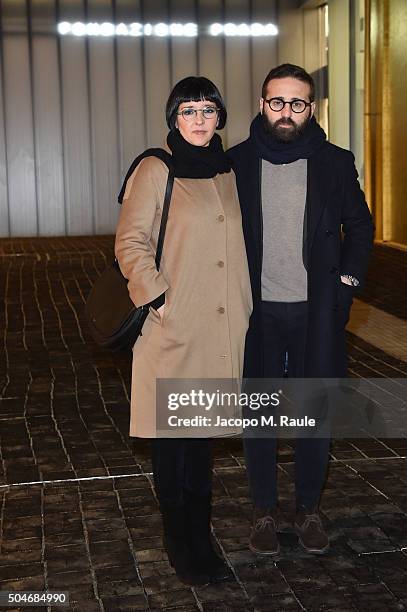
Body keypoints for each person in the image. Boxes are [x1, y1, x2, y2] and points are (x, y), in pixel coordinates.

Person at [228, 64, 374, 555]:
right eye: (277, 102)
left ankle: (309, 509)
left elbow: (359, 225)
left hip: (316, 314)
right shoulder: (236, 163)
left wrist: (346, 282)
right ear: (262, 103)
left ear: (311, 108)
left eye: (297, 103)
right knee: (261, 417)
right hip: (257, 314)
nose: (286, 112)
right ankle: (264, 512)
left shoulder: (335, 162)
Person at [115, 77, 252, 585]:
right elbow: (130, 241)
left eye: (208, 109)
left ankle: (200, 537)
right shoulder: (156, 167)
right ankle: (181, 542)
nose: (199, 119)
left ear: (221, 117)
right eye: (188, 110)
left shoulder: (229, 169)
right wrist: (157, 298)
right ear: (174, 118)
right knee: (174, 443)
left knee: (201, 444)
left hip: (221, 330)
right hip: (173, 328)